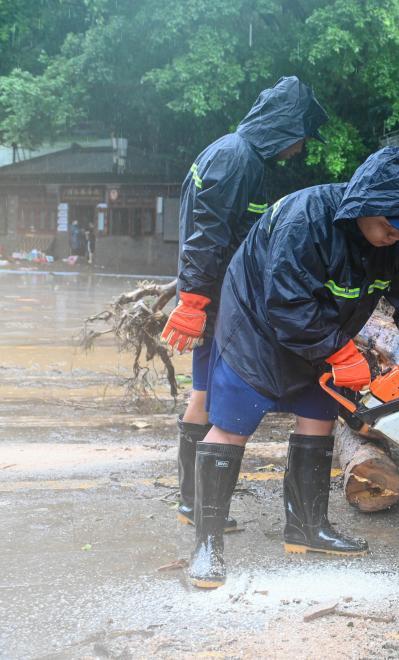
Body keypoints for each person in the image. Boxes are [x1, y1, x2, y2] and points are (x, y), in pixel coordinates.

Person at [186, 147, 399, 589]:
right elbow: (286, 302)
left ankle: (307, 528)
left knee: (318, 416)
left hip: (324, 327)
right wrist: (342, 354)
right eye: (388, 227)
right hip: (255, 321)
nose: (393, 237)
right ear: (365, 208)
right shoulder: (306, 219)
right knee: (232, 424)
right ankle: (207, 545)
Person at [160, 77, 328, 533]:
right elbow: (209, 234)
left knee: (202, 393)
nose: (297, 151)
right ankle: (197, 504)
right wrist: (194, 302)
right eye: (300, 140)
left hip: (212, 297)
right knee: (210, 398)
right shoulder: (237, 159)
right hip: (217, 302)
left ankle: (192, 502)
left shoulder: (231, 151)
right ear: (285, 128)